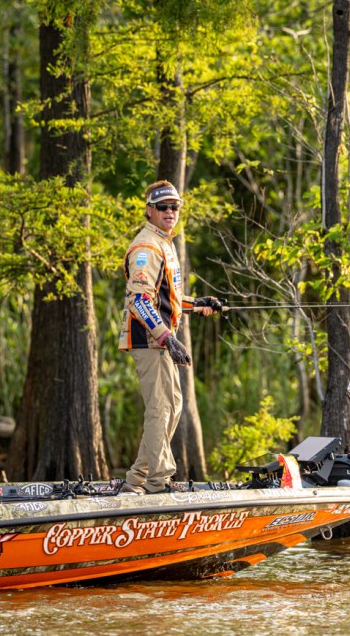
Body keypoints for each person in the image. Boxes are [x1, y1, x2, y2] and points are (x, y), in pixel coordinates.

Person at [118, 180, 222, 494]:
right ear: (149, 210)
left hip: (160, 340)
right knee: (160, 410)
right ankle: (159, 481)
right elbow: (139, 301)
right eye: (162, 206)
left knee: (172, 407)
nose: (169, 211)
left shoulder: (164, 242)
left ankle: (136, 479)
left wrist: (197, 303)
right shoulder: (146, 247)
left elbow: (166, 298)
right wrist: (168, 339)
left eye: (174, 206)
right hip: (149, 341)